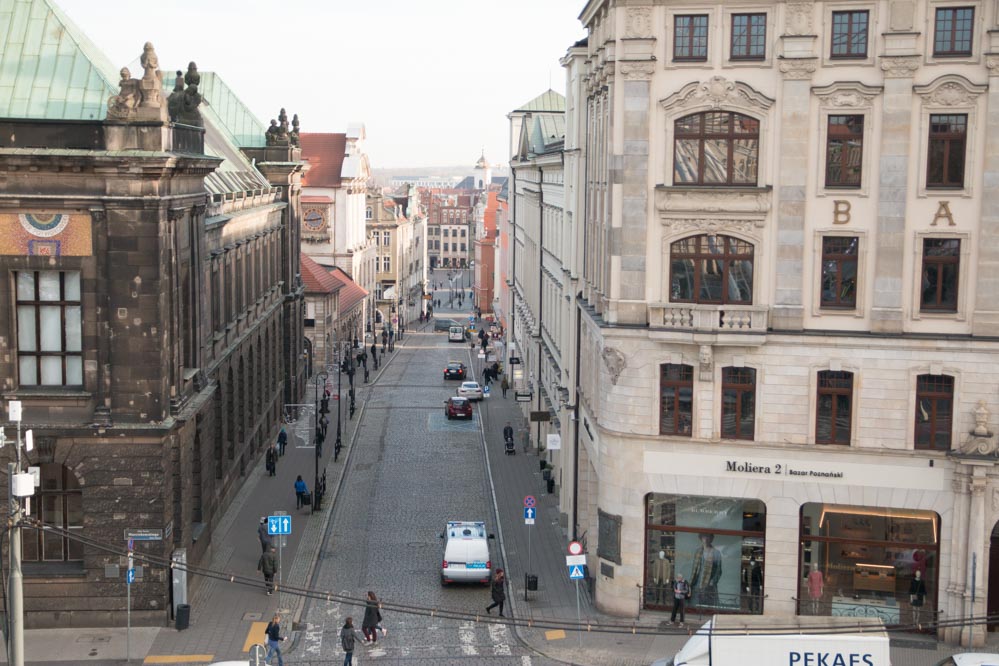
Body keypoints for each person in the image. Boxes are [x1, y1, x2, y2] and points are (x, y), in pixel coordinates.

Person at [690, 533, 722, 607]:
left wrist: (712, 582)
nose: (706, 539)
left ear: (711, 539)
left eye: (708, 536)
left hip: (709, 584)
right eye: (704, 536)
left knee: (708, 605)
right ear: (701, 538)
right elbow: (694, 569)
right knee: (695, 604)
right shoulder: (698, 551)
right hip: (697, 583)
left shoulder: (716, 553)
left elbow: (718, 571)